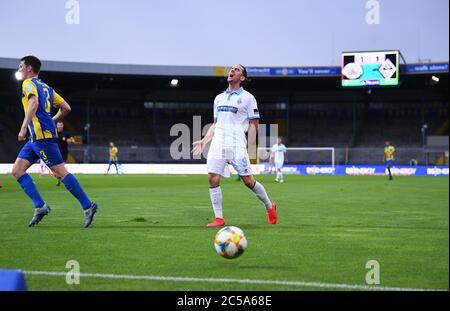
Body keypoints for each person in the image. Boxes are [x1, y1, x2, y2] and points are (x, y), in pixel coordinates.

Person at [12, 55, 98, 228]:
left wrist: (23, 127)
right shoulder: (47, 88)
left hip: (42, 137)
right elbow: (66, 107)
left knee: (60, 173)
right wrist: (53, 120)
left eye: (21, 66)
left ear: (29, 68)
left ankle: (88, 206)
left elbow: (34, 103)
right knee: (17, 170)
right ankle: (40, 206)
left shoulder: (28, 83)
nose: (19, 69)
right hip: (35, 138)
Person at [192, 64, 277, 227]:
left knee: (248, 181)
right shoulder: (219, 98)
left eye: (237, 70)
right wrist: (205, 140)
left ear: (243, 78)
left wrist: (250, 146)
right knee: (212, 177)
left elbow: (254, 123)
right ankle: (219, 218)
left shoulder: (248, 98)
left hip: (237, 144)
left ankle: (269, 206)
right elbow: (216, 123)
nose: (232, 71)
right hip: (218, 143)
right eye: (231, 69)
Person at [55, 121, 74, 186]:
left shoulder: (66, 133)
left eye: (61, 125)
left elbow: (72, 140)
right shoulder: (53, 133)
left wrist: (69, 140)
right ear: (56, 126)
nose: (59, 127)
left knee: (61, 167)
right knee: (55, 170)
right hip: (55, 152)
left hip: (64, 153)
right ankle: (60, 178)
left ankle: (66, 180)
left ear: (63, 126)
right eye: (58, 125)